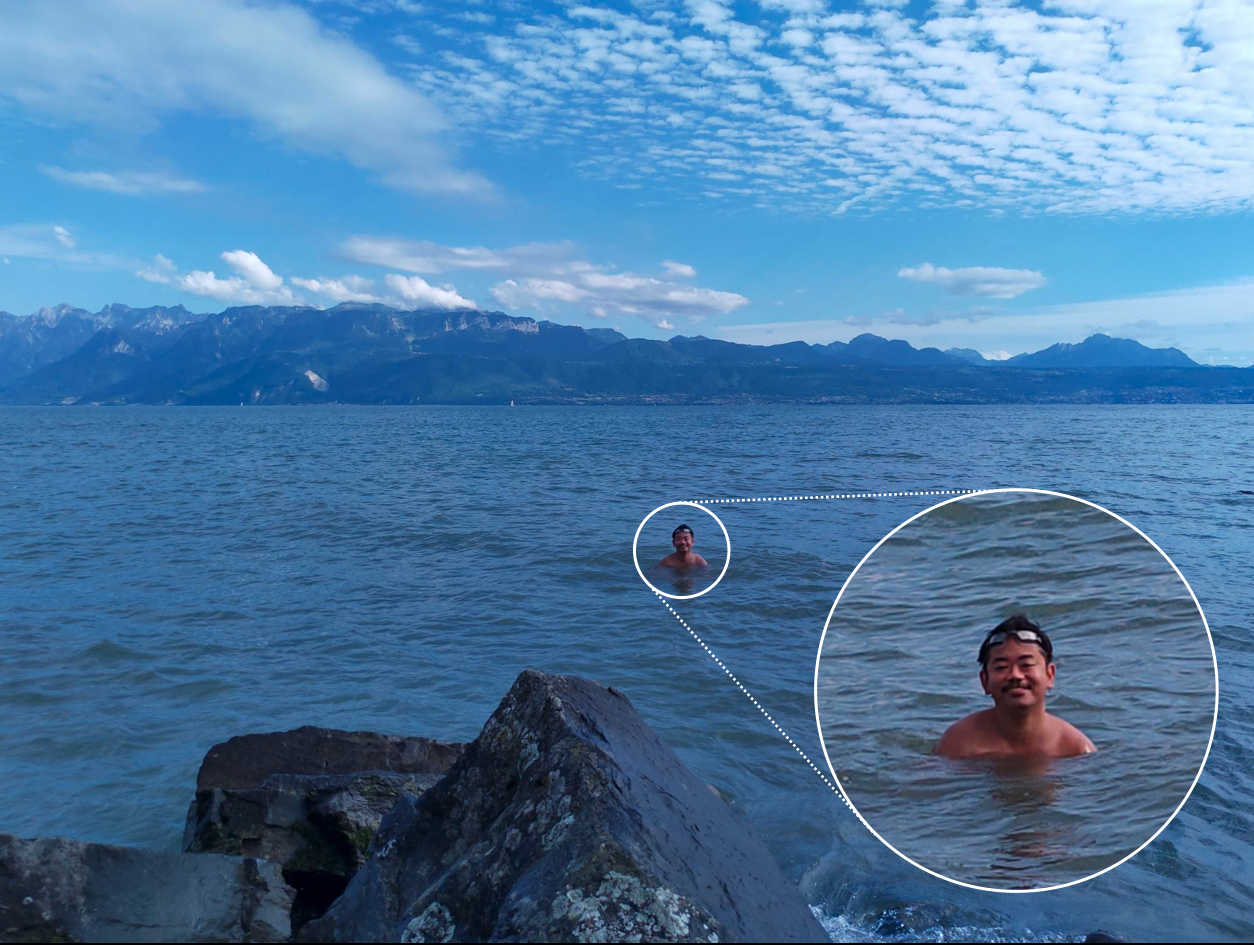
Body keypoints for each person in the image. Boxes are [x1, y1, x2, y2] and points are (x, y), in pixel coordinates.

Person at [934, 615, 1096, 759]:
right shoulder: (959, 744)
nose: (1015, 675)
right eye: (1001, 667)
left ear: (1050, 675)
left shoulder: (1075, 750)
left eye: (1026, 665)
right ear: (985, 681)